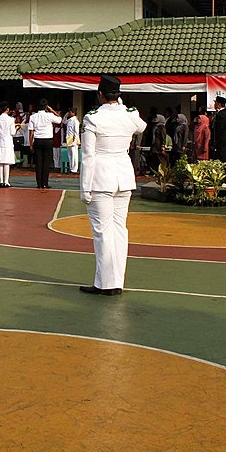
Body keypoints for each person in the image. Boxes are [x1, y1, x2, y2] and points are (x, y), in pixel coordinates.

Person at [79, 74, 147, 296]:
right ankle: (117, 281)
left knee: (102, 232)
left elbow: (88, 156)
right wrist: (122, 105)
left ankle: (105, 283)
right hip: (123, 177)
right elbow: (141, 126)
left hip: (100, 178)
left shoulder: (93, 118)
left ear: (100, 94)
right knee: (119, 230)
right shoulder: (129, 116)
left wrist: (84, 188)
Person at [28, 99, 62, 189]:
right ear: (46, 106)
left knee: (38, 163)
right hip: (48, 140)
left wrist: (31, 144)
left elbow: (31, 132)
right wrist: (52, 110)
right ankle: (45, 183)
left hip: (38, 140)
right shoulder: (49, 115)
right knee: (46, 163)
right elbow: (59, 119)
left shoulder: (33, 117)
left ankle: (39, 183)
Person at [0, 102, 17, 187]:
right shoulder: (11, 119)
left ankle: (1, 181)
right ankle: (6, 181)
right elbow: (12, 132)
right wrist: (17, 127)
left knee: (0, 162)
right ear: (7, 110)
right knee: (6, 162)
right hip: (7, 141)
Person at [209, 95, 226, 161]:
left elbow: (219, 129)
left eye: (215, 102)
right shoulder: (224, 113)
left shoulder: (221, 114)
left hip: (221, 140)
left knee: (221, 157)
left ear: (219, 104)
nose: (214, 104)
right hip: (222, 140)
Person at [63, 108, 80, 174]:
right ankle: (71, 168)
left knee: (74, 154)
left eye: (70, 112)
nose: (69, 113)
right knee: (70, 154)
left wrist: (75, 141)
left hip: (73, 138)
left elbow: (76, 132)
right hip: (69, 138)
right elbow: (64, 122)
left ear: (73, 113)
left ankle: (74, 169)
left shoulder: (75, 121)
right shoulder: (70, 120)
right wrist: (66, 115)